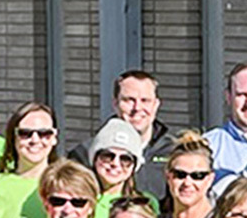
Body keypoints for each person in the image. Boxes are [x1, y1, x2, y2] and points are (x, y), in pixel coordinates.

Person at [69, 70, 178, 199]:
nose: (137, 108)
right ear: (115, 104)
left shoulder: (173, 152)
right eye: (129, 100)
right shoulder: (84, 154)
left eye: (145, 100)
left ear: (156, 105)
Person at [83, 118, 155, 218]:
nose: (115, 164)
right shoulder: (77, 202)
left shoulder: (145, 204)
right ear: (94, 158)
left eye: (125, 159)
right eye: (108, 156)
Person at [151, 130, 217, 218]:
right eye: (180, 175)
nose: (187, 182)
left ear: (210, 179)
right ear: (168, 177)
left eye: (197, 176)